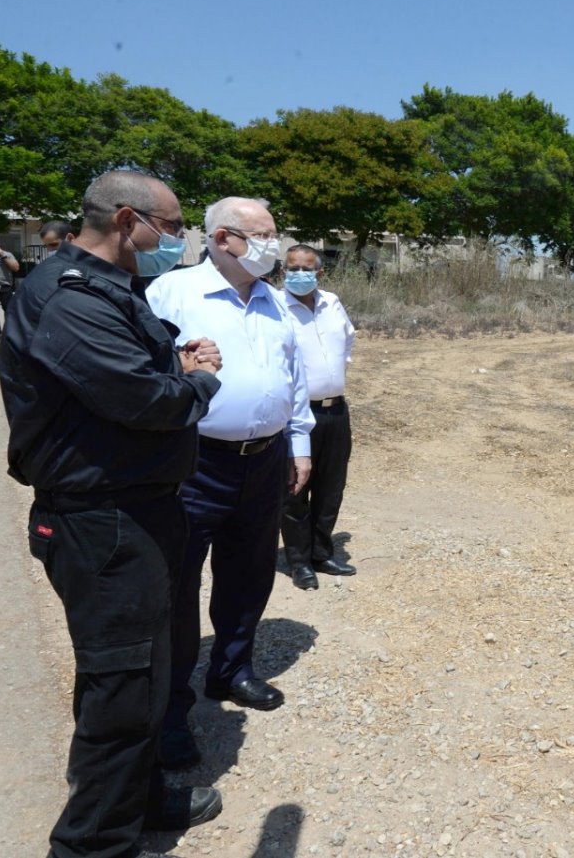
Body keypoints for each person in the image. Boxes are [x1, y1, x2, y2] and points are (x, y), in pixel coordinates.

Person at [0, 170, 225, 858]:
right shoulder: (66, 296)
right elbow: (145, 401)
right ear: (129, 220)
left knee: (146, 677)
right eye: (174, 225)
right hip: (103, 522)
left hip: (139, 513)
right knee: (121, 688)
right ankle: (94, 842)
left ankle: (141, 794)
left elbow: (133, 370)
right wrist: (197, 381)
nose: (178, 239)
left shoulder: (107, 287)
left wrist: (172, 362)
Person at [146, 196, 313, 769]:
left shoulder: (275, 301)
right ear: (222, 239)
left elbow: (292, 379)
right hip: (193, 461)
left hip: (264, 459)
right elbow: (143, 372)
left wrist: (300, 442)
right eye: (262, 235)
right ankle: (168, 711)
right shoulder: (172, 293)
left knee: (249, 573)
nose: (275, 244)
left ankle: (232, 669)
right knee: (175, 585)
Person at [279, 243, 358, 590]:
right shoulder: (276, 306)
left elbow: (348, 339)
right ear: (283, 270)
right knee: (296, 488)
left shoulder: (332, 302)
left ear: (319, 272)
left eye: (305, 268)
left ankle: (322, 553)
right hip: (297, 414)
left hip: (336, 409)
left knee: (331, 486)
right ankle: (299, 562)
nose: (298, 274)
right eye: (292, 268)